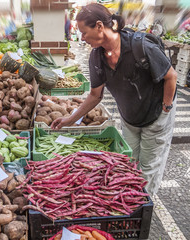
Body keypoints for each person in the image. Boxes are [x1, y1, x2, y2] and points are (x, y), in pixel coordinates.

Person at [51, 3, 177, 196]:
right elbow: (95, 95)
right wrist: (69, 120)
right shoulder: (96, 57)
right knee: (129, 163)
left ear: (100, 26)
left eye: (84, 33)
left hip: (156, 114)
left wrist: (166, 108)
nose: (82, 38)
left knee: (148, 167)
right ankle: (129, 200)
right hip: (130, 118)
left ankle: (141, 207)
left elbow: (171, 76)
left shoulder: (140, 46)